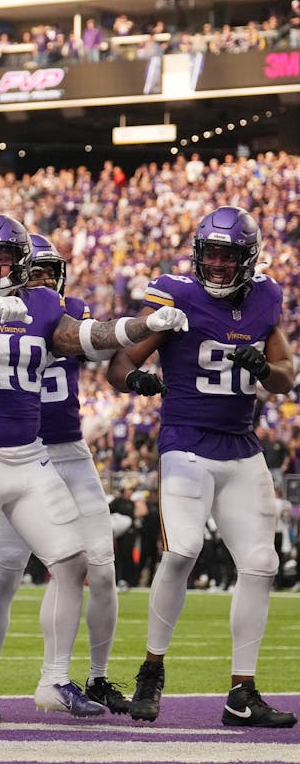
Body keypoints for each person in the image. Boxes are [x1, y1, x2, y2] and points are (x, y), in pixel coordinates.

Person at [0, 213, 187, 728]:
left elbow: (85, 336)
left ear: (21, 262)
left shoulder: (43, 303)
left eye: (1, 258)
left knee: (72, 562)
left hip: (31, 456)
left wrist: (143, 326)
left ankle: (56, 679)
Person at [106, 206, 297, 728]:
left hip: (240, 446)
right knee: (183, 549)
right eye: (209, 254)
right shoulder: (178, 295)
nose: (215, 265)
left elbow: (285, 377)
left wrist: (265, 367)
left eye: (226, 255)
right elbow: (119, 364)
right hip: (186, 441)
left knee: (261, 564)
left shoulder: (265, 298)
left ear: (246, 259)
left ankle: (242, 692)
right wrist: (139, 383)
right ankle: (151, 669)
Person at [0, 234, 130, 723]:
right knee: (5, 577)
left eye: (47, 272)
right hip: (19, 454)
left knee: (100, 568)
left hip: (70, 451)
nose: (41, 281)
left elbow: (104, 349)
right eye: (32, 271)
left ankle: (95, 676)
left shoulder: (69, 311)